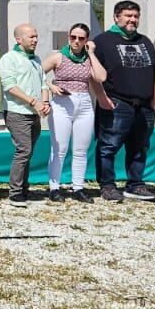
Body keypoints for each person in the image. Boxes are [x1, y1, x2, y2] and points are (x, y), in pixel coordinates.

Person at [91, 0, 155, 202]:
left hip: (145, 104)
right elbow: (93, 74)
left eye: (136, 16)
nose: (132, 19)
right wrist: (102, 98)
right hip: (116, 102)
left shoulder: (145, 41)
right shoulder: (103, 41)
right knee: (108, 146)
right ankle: (107, 186)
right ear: (116, 17)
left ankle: (136, 184)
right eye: (128, 15)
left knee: (140, 146)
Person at [43, 22, 99, 203]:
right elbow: (36, 72)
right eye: (73, 37)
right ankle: (54, 187)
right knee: (60, 148)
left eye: (81, 38)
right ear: (68, 36)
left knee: (81, 149)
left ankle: (78, 187)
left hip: (84, 102)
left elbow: (101, 76)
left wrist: (91, 53)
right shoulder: (58, 56)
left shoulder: (89, 58)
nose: (76, 41)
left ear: (86, 40)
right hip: (62, 103)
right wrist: (51, 86)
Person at [0, 23, 50, 207]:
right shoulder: (8, 59)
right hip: (17, 112)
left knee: (28, 152)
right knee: (23, 150)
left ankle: (24, 188)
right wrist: (32, 101)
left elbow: (44, 83)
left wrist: (45, 102)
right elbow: (10, 86)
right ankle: (15, 192)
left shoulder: (36, 59)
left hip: (34, 112)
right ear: (18, 39)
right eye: (31, 37)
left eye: (36, 36)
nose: (35, 40)